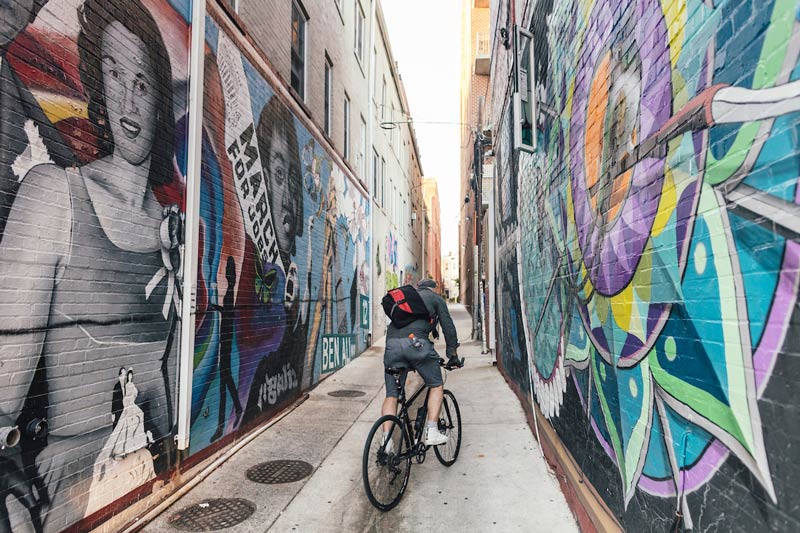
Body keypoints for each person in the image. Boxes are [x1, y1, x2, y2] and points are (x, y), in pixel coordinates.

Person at [0, 0, 178, 526]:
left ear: (160, 101)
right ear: (97, 85)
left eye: (143, 83)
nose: (127, 97)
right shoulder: (55, 197)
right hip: (70, 503)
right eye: (114, 74)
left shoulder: (174, 228)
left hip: (155, 484)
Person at [381, 279, 461, 447]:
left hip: (392, 346)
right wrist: (452, 354)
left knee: (392, 395)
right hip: (416, 345)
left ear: (418, 287)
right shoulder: (436, 299)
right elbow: (448, 327)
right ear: (434, 288)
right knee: (436, 384)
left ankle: (386, 443)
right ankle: (431, 431)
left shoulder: (406, 300)